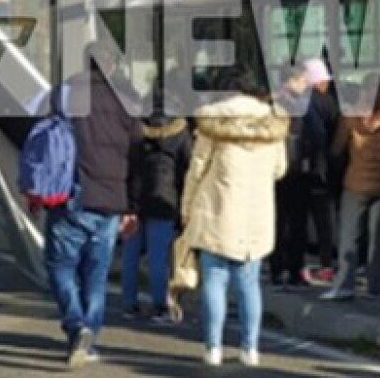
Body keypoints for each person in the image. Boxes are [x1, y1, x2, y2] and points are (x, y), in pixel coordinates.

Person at [181, 68, 288, 367]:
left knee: (214, 281)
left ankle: (213, 348)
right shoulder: (272, 121)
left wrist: (187, 207)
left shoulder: (213, 121)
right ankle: (249, 348)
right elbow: (280, 169)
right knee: (249, 284)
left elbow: (197, 168)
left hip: (217, 211)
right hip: (256, 214)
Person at [44, 47, 141, 369]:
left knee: (60, 266)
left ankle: (76, 325)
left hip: (72, 195)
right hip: (112, 199)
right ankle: (90, 337)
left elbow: (43, 137)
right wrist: (132, 204)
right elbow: (137, 152)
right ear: (112, 66)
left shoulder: (64, 94)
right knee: (96, 275)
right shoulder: (126, 98)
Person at [321, 82, 380, 301]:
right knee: (378, 240)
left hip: (355, 184)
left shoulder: (350, 119)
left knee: (349, 236)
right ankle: (375, 287)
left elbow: (336, 150)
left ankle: (344, 284)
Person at [122, 88, 192, 323]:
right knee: (158, 256)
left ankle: (128, 303)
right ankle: (160, 304)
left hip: (135, 196)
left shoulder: (136, 129)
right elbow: (188, 168)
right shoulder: (181, 132)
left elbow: (128, 164)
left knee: (131, 253)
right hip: (166, 198)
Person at [270, 66, 311, 289]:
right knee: (297, 224)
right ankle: (295, 269)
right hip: (298, 170)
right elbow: (315, 134)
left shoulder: (272, 103)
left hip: (275, 171)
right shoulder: (301, 104)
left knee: (278, 220)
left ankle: (278, 268)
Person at [300, 58, 340, 283]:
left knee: (297, 218)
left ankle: (299, 264)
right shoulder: (329, 103)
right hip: (323, 169)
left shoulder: (298, 102)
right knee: (325, 221)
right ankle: (326, 264)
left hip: (300, 168)